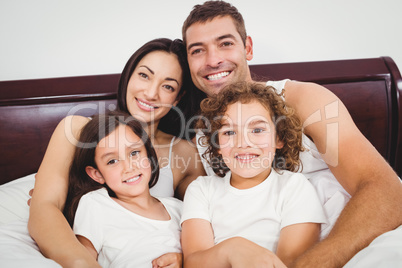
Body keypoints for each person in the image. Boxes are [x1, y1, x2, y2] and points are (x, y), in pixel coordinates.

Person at [181, 1, 402, 267]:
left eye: (225, 43)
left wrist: (311, 263)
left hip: (360, 242)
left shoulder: (304, 99)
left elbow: (386, 190)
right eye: (197, 50)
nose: (213, 59)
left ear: (248, 47)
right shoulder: (203, 138)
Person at [28, 38, 205, 268]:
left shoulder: (184, 152)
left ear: (178, 97)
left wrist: (187, 258)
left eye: (168, 86)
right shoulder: (76, 130)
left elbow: (206, 220)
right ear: (128, 75)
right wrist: (83, 263)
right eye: (144, 75)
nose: (151, 93)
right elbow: (44, 207)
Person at [181, 82, 328, 267]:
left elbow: (292, 262)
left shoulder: (294, 187)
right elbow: (194, 262)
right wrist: (232, 249)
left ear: (279, 139)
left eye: (257, 130)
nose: (243, 142)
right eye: (229, 132)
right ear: (217, 144)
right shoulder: (201, 189)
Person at [64, 111, 182, 268]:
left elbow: (203, 254)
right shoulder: (96, 203)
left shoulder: (179, 209)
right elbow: (84, 259)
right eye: (112, 161)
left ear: (148, 155)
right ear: (97, 174)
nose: (129, 167)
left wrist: (183, 259)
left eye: (134, 153)